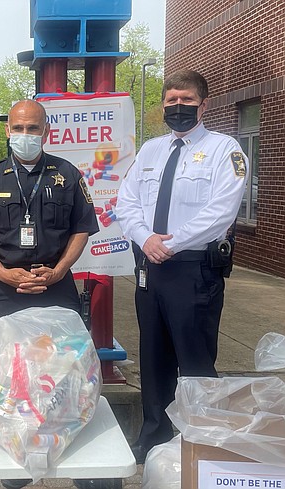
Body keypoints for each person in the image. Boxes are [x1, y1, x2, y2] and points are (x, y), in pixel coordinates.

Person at [0, 99, 99, 489]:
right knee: (12, 375)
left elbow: (82, 229)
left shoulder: (67, 174)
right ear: (8, 131)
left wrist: (58, 271)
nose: (25, 135)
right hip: (8, 290)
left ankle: (72, 447)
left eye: (33, 128)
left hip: (57, 289)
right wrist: (1, 271)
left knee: (69, 371)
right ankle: (17, 456)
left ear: (46, 131)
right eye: (18, 128)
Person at [116, 69, 248, 464]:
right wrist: (146, 239)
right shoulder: (151, 150)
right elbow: (127, 202)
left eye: (186, 101)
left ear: (203, 104)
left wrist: (170, 243)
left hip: (194, 271)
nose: (178, 108)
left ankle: (199, 441)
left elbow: (221, 211)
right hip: (151, 268)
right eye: (171, 101)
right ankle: (153, 437)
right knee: (153, 358)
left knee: (194, 360)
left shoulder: (227, 150)